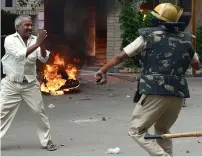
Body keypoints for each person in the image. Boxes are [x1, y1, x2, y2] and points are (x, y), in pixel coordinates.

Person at [95, 3, 201, 156]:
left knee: (136, 130)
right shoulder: (186, 40)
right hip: (178, 94)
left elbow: (121, 56)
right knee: (162, 129)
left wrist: (102, 70)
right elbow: (196, 65)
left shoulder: (147, 37)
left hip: (155, 91)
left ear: (158, 21)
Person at [0, 15, 57, 151]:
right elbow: (20, 55)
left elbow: (43, 58)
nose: (30, 27)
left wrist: (42, 44)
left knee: (39, 111)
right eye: (26, 25)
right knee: (2, 112)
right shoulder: (9, 40)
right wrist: (38, 43)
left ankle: (47, 141)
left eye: (31, 25)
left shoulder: (34, 40)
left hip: (30, 84)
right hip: (11, 84)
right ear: (17, 27)